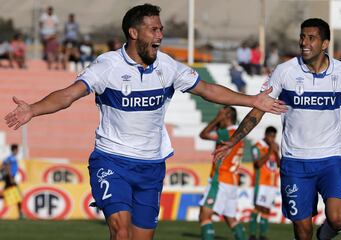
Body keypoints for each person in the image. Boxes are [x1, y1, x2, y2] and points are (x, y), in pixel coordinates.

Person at [4, 4, 285, 240]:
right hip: (112, 160)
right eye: (154, 29)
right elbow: (68, 95)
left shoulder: (168, 66)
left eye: (161, 29)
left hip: (152, 166)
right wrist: (33, 109)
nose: (160, 35)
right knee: (120, 231)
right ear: (134, 32)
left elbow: (208, 90)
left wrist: (252, 100)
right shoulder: (108, 66)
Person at [214, 18, 341, 240]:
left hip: (332, 158)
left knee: (338, 219)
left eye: (311, 38)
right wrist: (233, 141)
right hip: (295, 162)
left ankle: (324, 236)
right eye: (302, 37)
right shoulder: (284, 71)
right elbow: (257, 110)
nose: (304, 42)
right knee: (302, 232)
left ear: (325, 43)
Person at [199, 106, 247, 240]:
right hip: (232, 182)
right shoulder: (238, 134)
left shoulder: (226, 133)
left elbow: (203, 134)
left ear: (227, 116)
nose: (218, 115)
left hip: (220, 180)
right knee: (230, 218)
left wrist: (216, 119)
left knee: (204, 216)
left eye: (221, 113)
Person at [248, 126, 280, 240]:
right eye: (270, 136)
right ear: (266, 135)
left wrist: (276, 152)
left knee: (266, 209)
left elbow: (279, 165)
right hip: (261, 182)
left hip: (272, 183)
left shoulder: (275, 147)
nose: (272, 139)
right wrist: (270, 151)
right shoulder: (257, 147)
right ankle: (252, 235)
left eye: (274, 136)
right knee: (258, 207)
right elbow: (257, 164)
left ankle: (262, 236)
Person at [1, 144, 23, 219]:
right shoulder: (11, 158)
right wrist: (10, 177)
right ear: (14, 150)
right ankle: (21, 213)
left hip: (9, 178)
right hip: (10, 178)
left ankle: (20, 213)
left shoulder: (10, 158)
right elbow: (7, 167)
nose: (18, 151)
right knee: (18, 195)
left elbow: (3, 166)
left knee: (6, 193)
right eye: (17, 150)